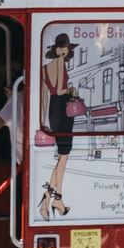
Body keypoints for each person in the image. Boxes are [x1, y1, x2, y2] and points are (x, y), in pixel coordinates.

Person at [39, 33, 78, 219]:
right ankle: (51, 200)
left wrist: (44, 119)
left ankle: (54, 199)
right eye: (62, 48)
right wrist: (71, 91)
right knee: (63, 157)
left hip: (54, 112)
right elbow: (61, 89)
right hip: (63, 109)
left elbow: (45, 96)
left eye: (66, 49)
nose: (64, 51)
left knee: (62, 157)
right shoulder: (60, 63)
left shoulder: (44, 68)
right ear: (55, 49)